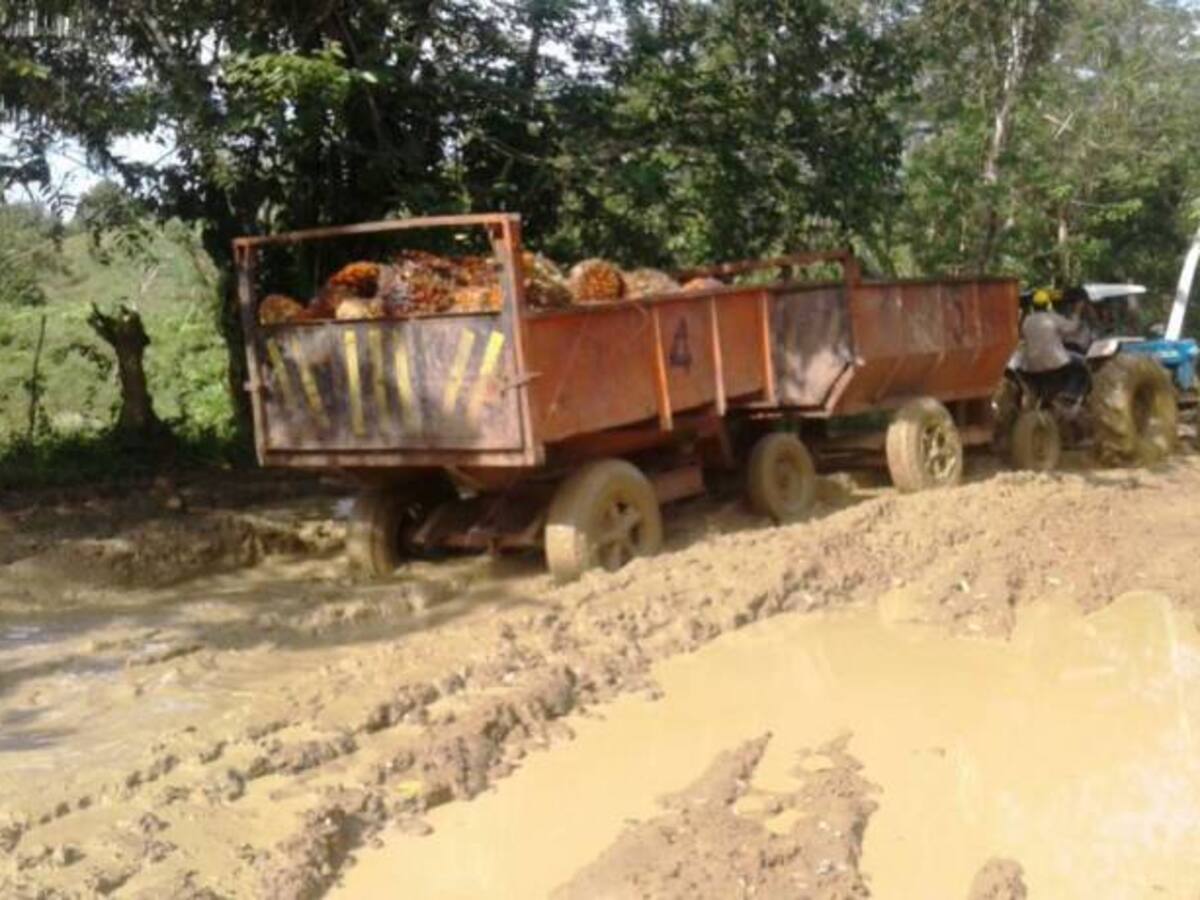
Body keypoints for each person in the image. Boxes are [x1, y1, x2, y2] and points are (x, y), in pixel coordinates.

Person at [1020, 288, 1090, 401]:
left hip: (1030, 365)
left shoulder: (1027, 321)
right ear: (1048, 304)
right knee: (1082, 365)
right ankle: (1069, 393)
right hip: (1054, 362)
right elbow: (1072, 328)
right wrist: (1077, 313)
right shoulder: (1053, 318)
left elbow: (1024, 336)